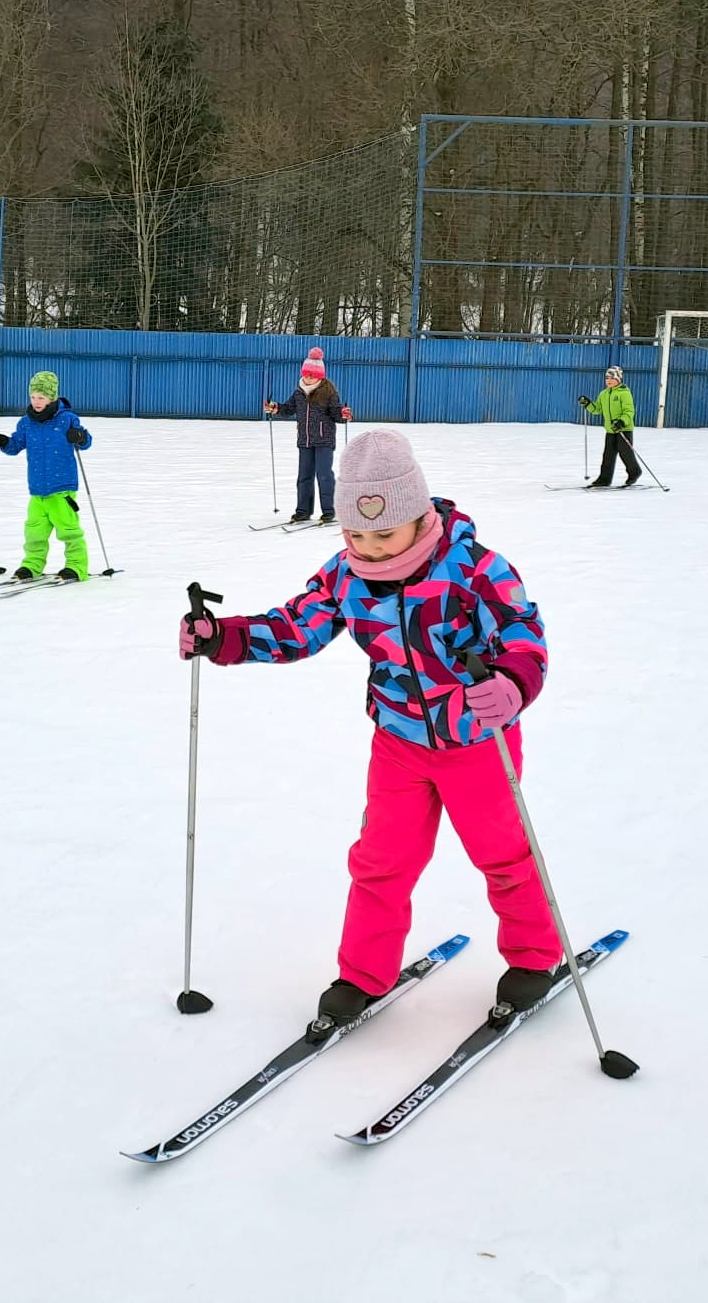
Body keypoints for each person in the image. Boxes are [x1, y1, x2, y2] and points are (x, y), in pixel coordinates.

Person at [176, 429, 560, 1028]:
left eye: (384, 535)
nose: (371, 549)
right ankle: (362, 973)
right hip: (399, 745)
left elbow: (522, 631)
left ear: (420, 516)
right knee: (381, 861)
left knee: (504, 855)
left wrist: (512, 681)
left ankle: (535, 957)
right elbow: (296, 627)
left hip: (478, 745)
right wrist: (223, 637)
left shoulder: (474, 569)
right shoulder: (345, 575)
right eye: (356, 534)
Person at [0, 370, 93, 580]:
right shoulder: (26, 423)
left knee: (68, 530)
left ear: (52, 397)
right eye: (33, 397)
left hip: (62, 488)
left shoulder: (66, 419)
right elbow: (14, 446)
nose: (36, 402)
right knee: (34, 532)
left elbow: (86, 443)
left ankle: (76, 566)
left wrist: (79, 436)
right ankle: (32, 566)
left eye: (41, 397)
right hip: (37, 490)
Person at [264, 347, 353, 523]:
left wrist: (343, 414)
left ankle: (329, 511)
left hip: (324, 440)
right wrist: (275, 407)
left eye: (313, 375)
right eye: (306, 374)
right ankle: (303, 511)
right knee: (304, 476)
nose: (309, 377)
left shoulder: (328, 392)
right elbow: (288, 409)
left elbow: (336, 413)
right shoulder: (299, 392)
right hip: (304, 440)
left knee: (324, 475)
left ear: (320, 375)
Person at [579, 366, 641, 487]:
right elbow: (597, 409)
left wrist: (621, 422)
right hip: (610, 430)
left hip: (623, 429)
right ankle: (604, 479)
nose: (609, 380)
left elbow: (629, 411)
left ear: (618, 379)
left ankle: (635, 472)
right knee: (608, 455)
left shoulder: (624, 393)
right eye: (607, 378)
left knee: (625, 453)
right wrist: (588, 404)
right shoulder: (604, 394)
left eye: (612, 378)